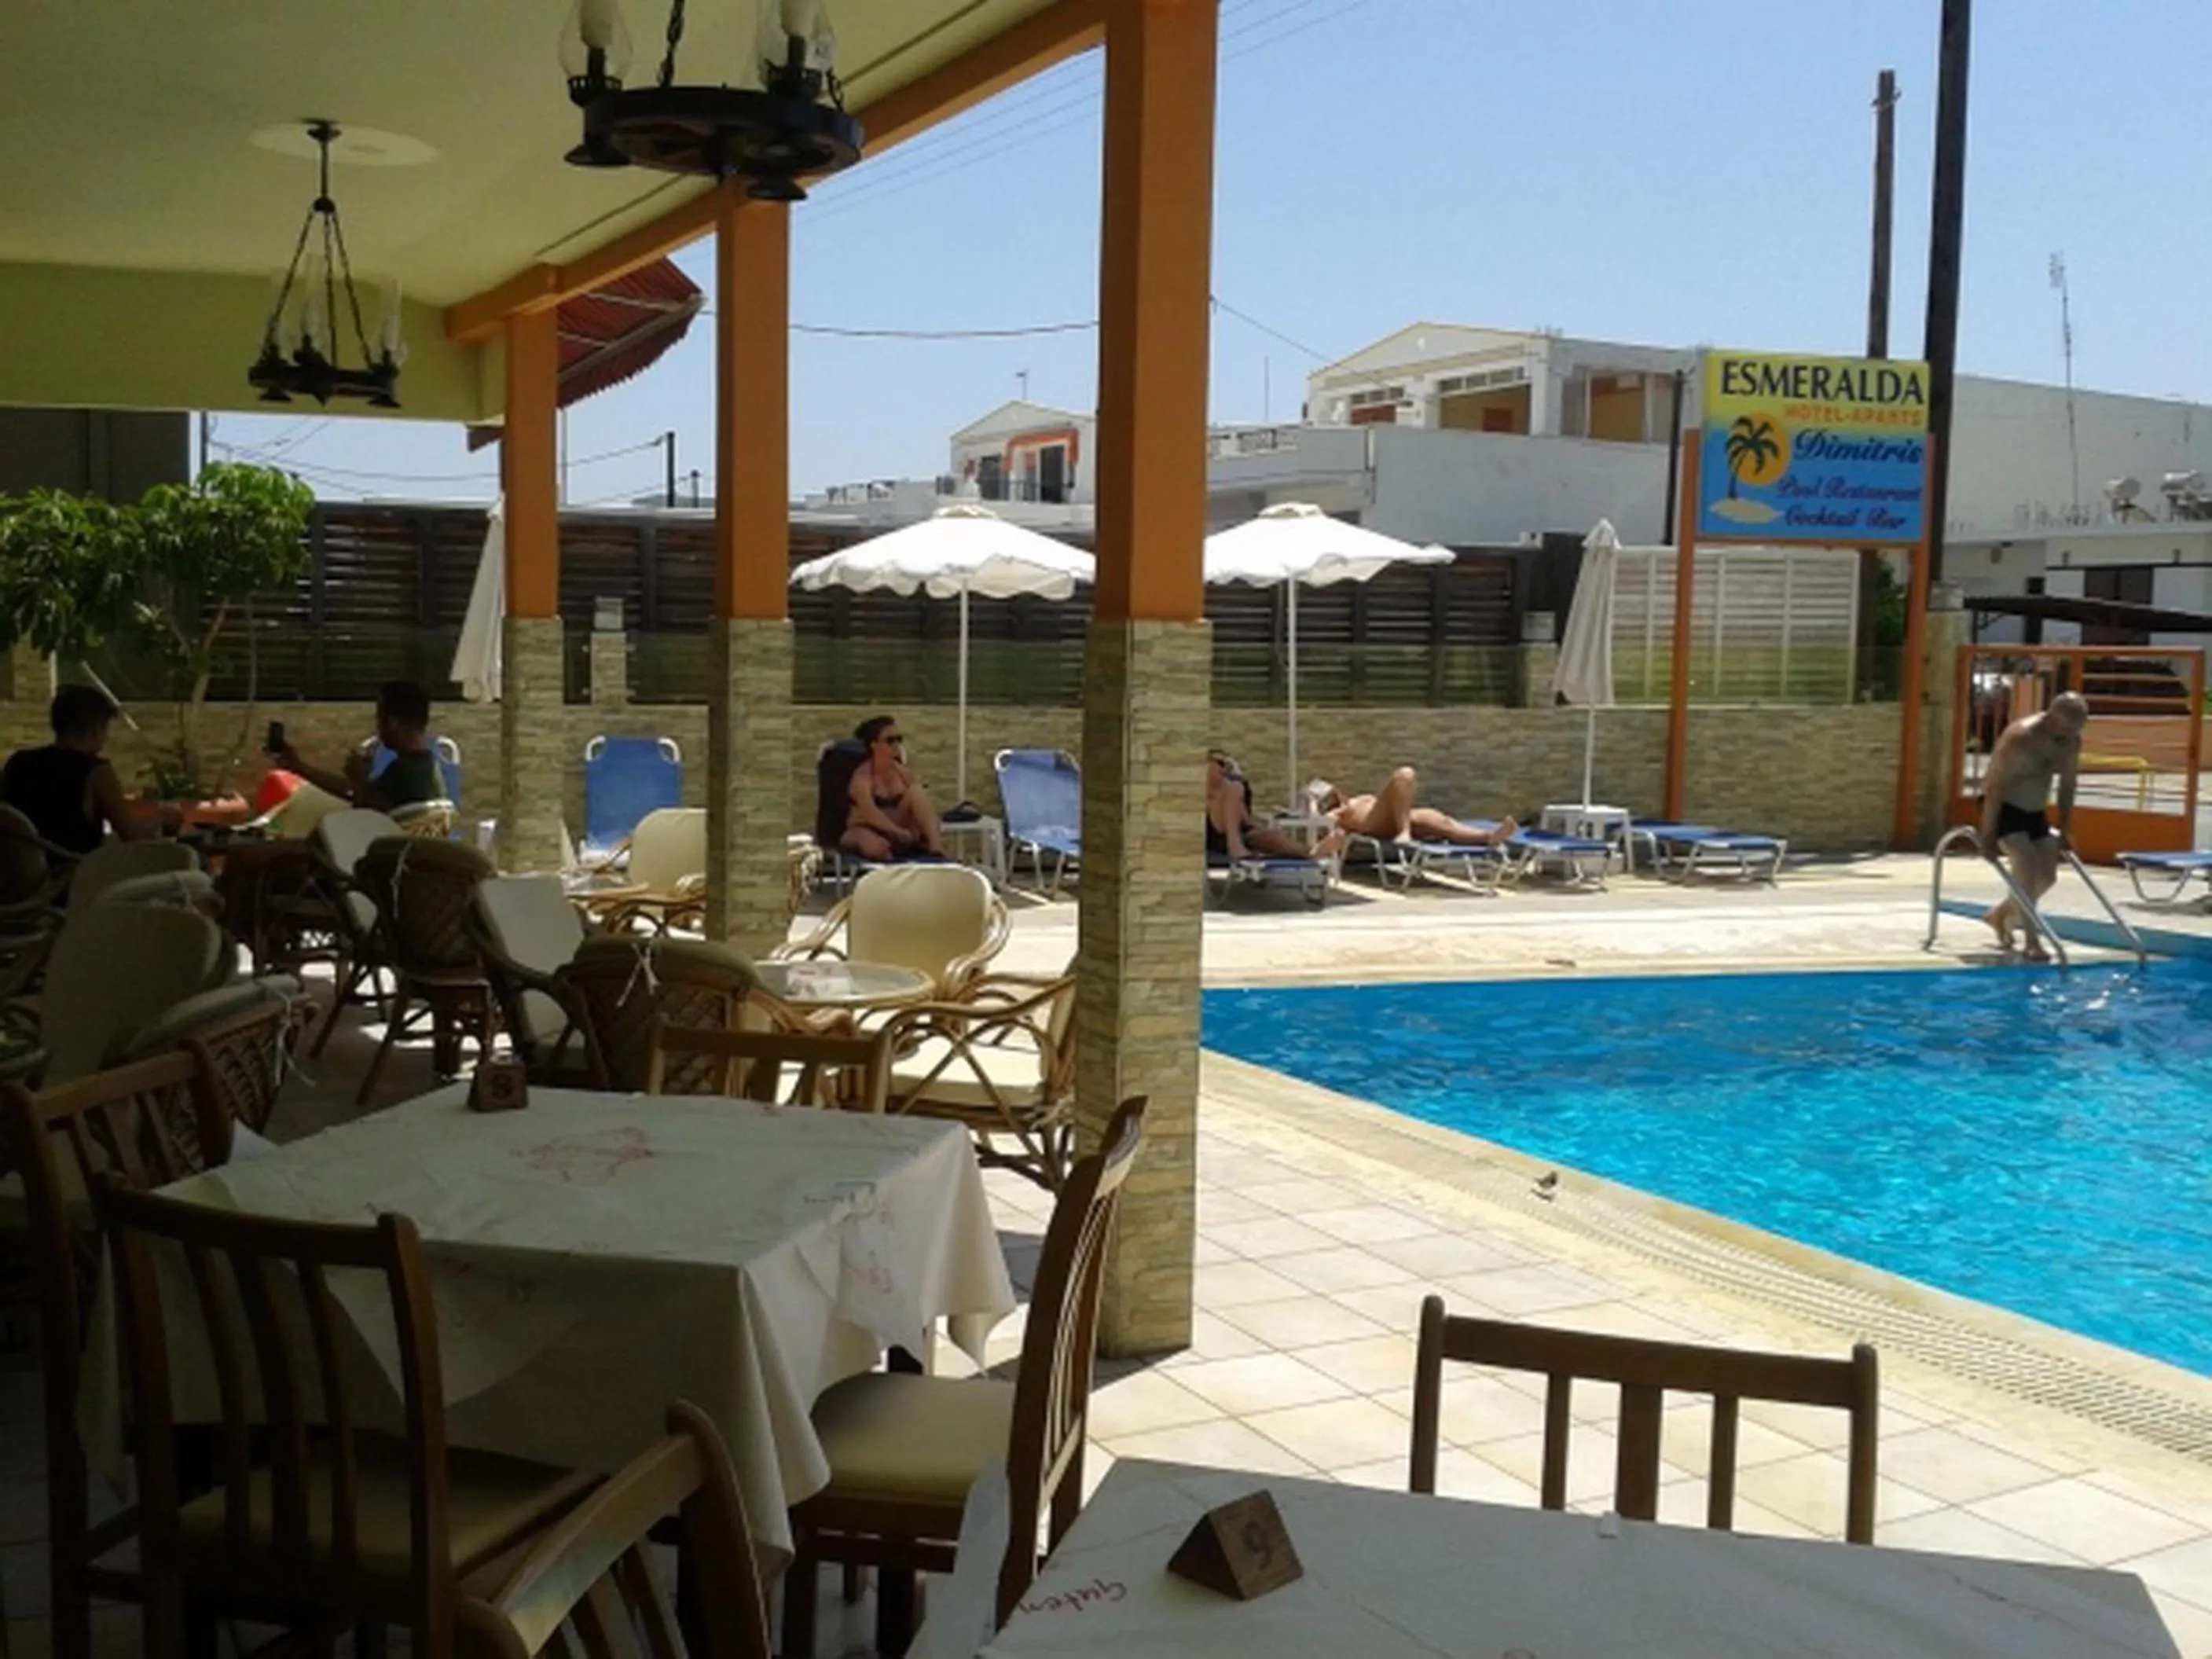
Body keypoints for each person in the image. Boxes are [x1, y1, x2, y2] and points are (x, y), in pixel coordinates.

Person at [1978, 689, 2087, 960]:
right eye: (2065, 729)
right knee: (2026, 866)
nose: (2069, 736)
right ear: (2050, 718)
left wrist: (2065, 828)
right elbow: (1995, 788)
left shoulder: (2071, 741)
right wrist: (1987, 836)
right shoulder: (2021, 739)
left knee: (2047, 877)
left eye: (2076, 730)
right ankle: (2032, 940)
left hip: (2035, 812)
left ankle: (2001, 914)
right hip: (2004, 809)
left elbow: (2068, 786)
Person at [0, 685, 157, 853]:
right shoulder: (98, 773)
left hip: (16, 876)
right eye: (105, 728)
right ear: (95, 729)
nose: (106, 738)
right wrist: (161, 819)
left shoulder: (18, 762)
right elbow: (134, 837)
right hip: (75, 874)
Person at [270, 680, 446, 812]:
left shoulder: (404, 771)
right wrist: (301, 768)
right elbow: (357, 792)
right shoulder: (424, 766)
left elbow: (364, 813)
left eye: (379, 719)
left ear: (392, 723)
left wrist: (359, 778)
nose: (378, 727)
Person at [1309, 765, 1517, 847]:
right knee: (1404, 775)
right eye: (1331, 796)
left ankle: (1489, 837)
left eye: (1335, 791)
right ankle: (1404, 831)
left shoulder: (1358, 799)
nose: (1337, 795)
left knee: (1441, 822)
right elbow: (1318, 824)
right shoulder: (1338, 814)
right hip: (1375, 823)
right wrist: (1312, 802)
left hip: (1398, 815)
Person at [842, 714, 946, 860]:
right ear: (874, 745)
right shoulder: (862, 777)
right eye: (890, 740)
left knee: (917, 792)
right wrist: (897, 831)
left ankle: (937, 849)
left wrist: (917, 831)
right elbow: (868, 812)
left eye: (899, 739)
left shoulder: (903, 773)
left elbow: (921, 805)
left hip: (897, 830)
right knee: (874, 846)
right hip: (867, 827)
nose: (896, 745)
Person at [1206, 750, 1342, 861]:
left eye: (1223, 764)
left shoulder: (1232, 791)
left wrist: (1262, 827)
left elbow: (1246, 820)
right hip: (1217, 841)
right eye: (1218, 763)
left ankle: (1312, 851)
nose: (1222, 768)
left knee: (1270, 836)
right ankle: (1235, 846)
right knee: (1235, 789)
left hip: (1244, 837)